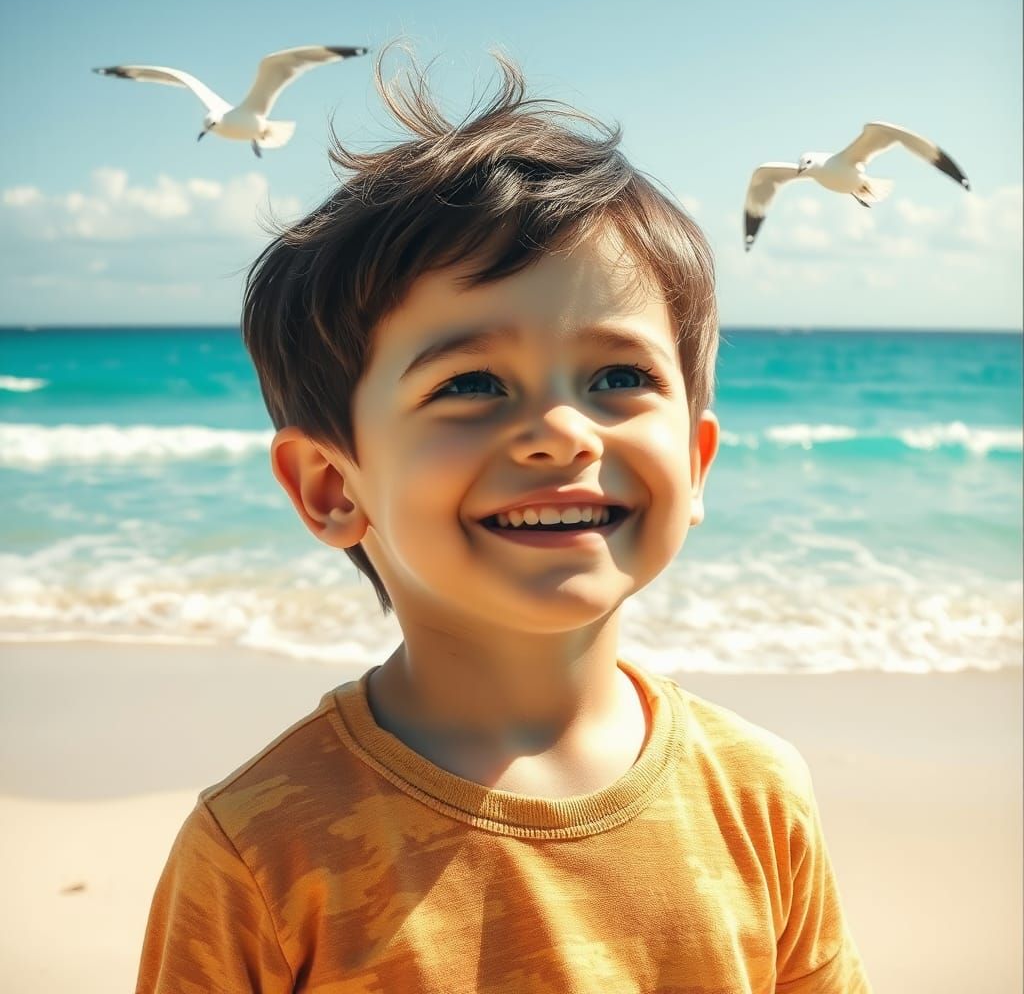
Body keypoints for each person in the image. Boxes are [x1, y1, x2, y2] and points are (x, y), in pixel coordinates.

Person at [136, 54, 870, 993]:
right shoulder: (263, 851)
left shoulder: (760, 797)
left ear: (694, 462)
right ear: (330, 485)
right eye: (472, 384)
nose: (564, 433)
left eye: (620, 378)